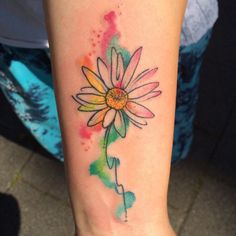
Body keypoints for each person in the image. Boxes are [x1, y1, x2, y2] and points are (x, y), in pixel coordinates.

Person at [0, 0, 218, 235]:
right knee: (61, 136)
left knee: (162, 149)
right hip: (18, 33)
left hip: (151, 32)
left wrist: (115, 223)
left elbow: (121, 226)